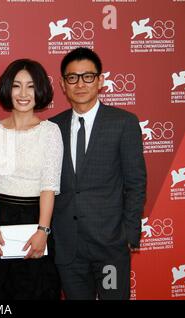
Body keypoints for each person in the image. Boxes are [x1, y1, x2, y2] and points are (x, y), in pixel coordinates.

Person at [50, 47, 147, 300]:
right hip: (69, 250)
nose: (80, 84)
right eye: (72, 77)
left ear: (100, 80)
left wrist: (128, 233)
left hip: (109, 247)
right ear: (62, 84)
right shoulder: (52, 127)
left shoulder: (123, 123)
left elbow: (136, 182)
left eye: (88, 76)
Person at [0, 59, 63, 300]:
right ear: (7, 89)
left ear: (40, 91)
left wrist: (43, 230)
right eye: (16, 86)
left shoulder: (50, 132)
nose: (23, 94)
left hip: (36, 220)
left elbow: (48, 185)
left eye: (31, 86)